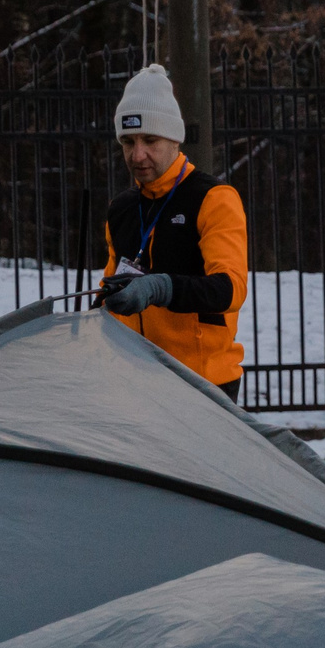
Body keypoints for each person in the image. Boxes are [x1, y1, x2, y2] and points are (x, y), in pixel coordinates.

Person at [94, 64, 250, 398]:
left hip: (202, 385)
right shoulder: (121, 208)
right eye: (128, 142)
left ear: (175, 140)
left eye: (150, 140)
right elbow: (109, 292)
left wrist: (160, 287)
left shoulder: (214, 198)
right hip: (135, 383)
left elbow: (230, 290)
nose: (138, 155)